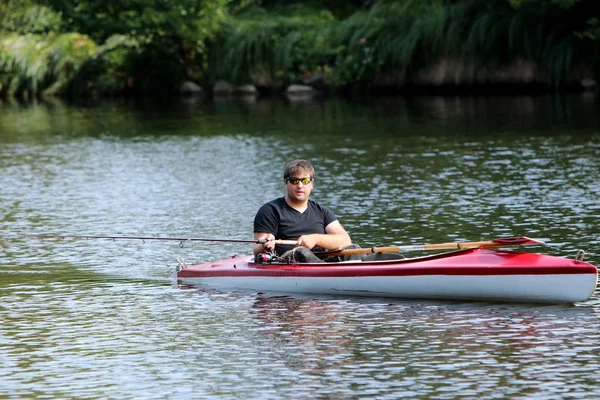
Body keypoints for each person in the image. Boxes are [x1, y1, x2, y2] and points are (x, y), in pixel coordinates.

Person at [253, 159, 361, 263]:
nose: (300, 186)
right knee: (302, 252)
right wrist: (265, 244)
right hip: (287, 261)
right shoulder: (269, 211)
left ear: (312, 183)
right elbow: (257, 251)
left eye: (305, 181)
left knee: (353, 248)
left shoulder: (322, 212)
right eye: (294, 181)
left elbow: (345, 240)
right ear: (286, 182)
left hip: (321, 260)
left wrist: (315, 239)